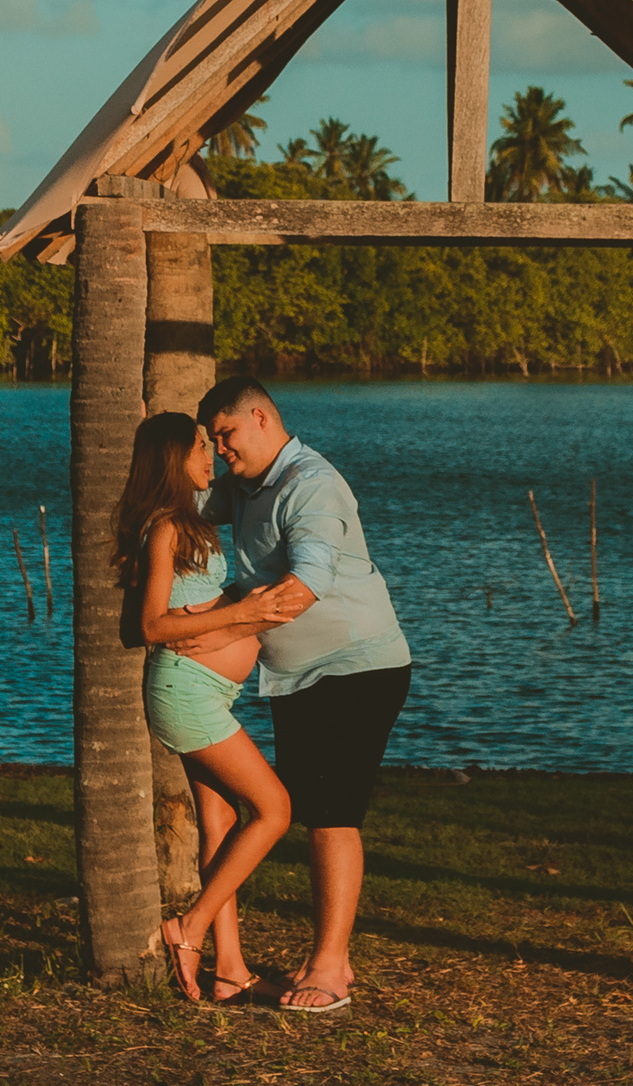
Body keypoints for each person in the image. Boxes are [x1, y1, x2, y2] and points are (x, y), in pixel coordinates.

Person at [170, 376, 411, 1014]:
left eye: (226, 435)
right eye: (212, 441)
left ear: (259, 418)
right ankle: (321, 956)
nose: (220, 450)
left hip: (356, 668)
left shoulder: (311, 485)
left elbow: (304, 585)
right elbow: (183, 503)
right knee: (308, 809)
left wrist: (216, 625)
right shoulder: (247, 486)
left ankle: (331, 967)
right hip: (296, 673)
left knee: (332, 813)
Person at [111, 411, 294, 1005]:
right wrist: (242, 616)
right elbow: (149, 624)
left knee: (218, 826)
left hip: (207, 690)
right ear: (173, 461)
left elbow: (191, 604)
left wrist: (229, 604)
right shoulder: (166, 528)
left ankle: (230, 971)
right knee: (274, 810)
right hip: (185, 692)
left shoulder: (192, 520)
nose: (210, 455)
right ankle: (188, 930)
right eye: (198, 448)